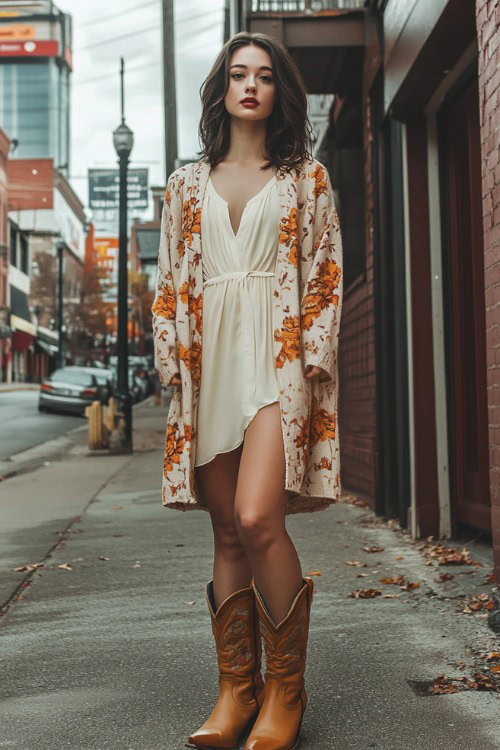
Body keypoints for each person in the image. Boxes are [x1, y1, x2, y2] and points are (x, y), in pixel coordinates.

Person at [151, 30, 343, 750]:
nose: (252, 85)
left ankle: (286, 692)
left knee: (260, 516)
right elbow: (169, 280)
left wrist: (317, 352)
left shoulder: (307, 178)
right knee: (225, 525)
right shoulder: (184, 186)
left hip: (278, 357)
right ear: (223, 89)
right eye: (239, 74)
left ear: (277, 90)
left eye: (264, 75)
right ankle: (237, 691)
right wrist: (171, 357)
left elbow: (325, 268)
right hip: (209, 366)